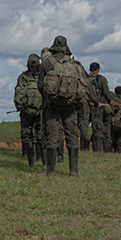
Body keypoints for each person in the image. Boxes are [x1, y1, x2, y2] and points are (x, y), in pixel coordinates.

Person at [37, 35, 92, 176]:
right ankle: (74, 171)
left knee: (52, 136)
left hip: (52, 106)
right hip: (70, 106)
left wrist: (50, 97)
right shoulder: (75, 64)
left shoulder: (47, 63)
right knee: (72, 136)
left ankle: (50, 171)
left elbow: (40, 86)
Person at [15, 54, 44, 168]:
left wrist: (20, 108)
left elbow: (18, 94)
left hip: (26, 111)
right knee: (40, 135)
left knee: (27, 136)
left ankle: (31, 162)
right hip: (40, 111)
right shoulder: (43, 76)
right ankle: (41, 159)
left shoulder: (23, 77)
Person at [87, 62, 116, 153]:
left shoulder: (85, 79)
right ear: (98, 70)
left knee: (93, 128)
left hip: (87, 105)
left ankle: (93, 149)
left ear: (90, 69)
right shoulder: (102, 79)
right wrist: (110, 101)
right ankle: (102, 150)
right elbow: (106, 92)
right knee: (101, 128)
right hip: (100, 106)